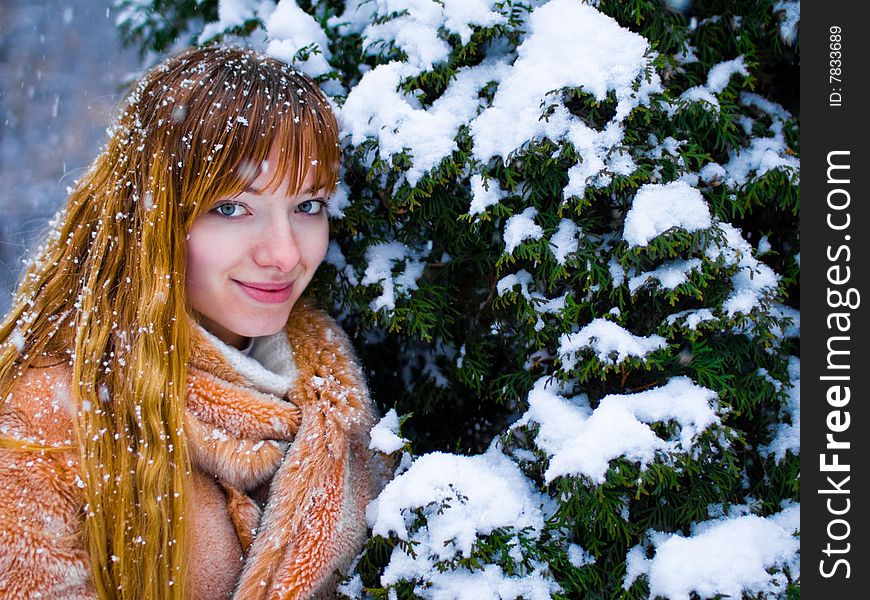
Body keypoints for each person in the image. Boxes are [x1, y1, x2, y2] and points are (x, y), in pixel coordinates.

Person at [0, 45, 381, 599]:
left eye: (308, 206)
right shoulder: (46, 420)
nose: (284, 253)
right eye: (231, 208)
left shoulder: (334, 398)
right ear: (152, 218)